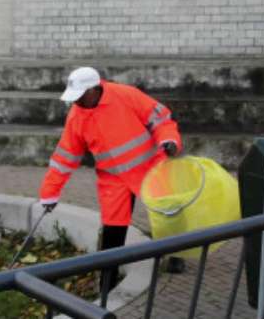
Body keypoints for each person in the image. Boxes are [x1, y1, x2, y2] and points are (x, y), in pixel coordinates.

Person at [38, 66, 183, 293]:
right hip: (113, 178)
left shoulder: (125, 95)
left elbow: (161, 119)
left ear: (94, 90)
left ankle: (176, 252)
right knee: (113, 231)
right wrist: (49, 193)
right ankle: (107, 280)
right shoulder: (77, 116)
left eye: (80, 97)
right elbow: (64, 157)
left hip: (149, 167)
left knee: (167, 213)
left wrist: (169, 140)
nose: (76, 102)